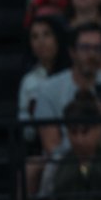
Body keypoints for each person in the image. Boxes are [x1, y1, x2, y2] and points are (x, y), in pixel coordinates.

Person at [34, 22, 101, 155]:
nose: (92, 54)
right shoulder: (48, 89)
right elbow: (51, 146)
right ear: (72, 52)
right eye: (85, 48)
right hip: (63, 164)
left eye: (97, 48)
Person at [18, 16, 70, 144]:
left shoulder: (74, 73)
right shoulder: (29, 81)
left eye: (47, 34)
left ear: (58, 38)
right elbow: (26, 132)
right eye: (35, 37)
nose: (41, 41)